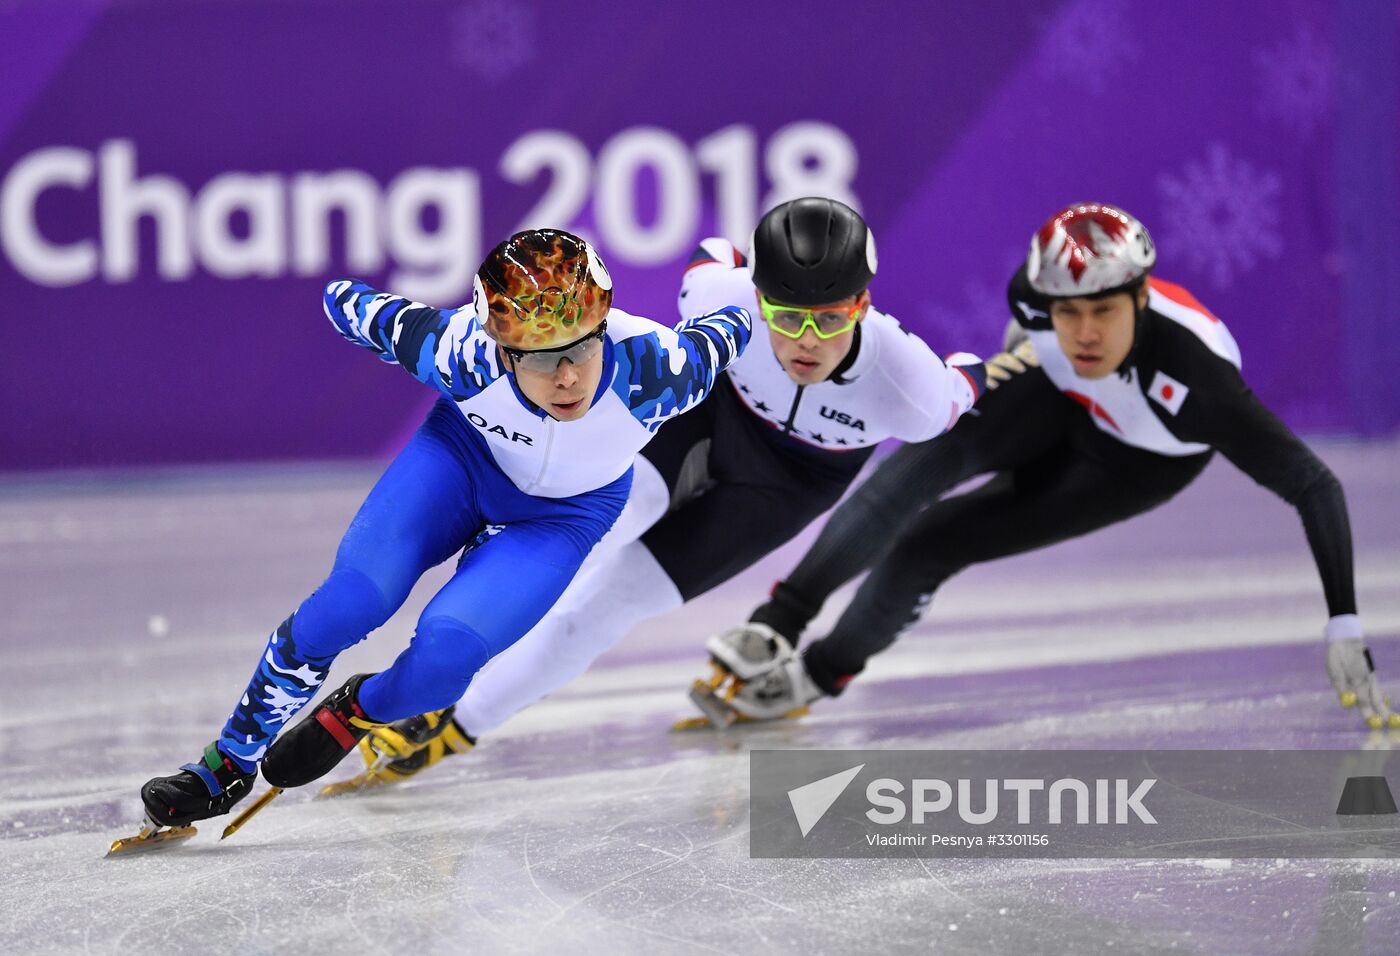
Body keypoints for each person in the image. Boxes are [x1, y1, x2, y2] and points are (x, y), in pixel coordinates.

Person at [338, 198, 985, 787]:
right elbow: (714, 257)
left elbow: (964, 385)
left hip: (790, 484)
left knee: (611, 605)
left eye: (830, 319)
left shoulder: (912, 391)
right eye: (785, 317)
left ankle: (456, 727)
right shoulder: (719, 299)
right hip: (709, 421)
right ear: (756, 300)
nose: (804, 342)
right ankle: (422, 688)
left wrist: (979, 367)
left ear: (863, 306)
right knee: (587, 540)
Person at [131, 229, 752, 837]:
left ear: (604, 325)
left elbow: (734, 323)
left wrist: (748, 276)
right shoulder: (460, 350)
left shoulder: (662, 369)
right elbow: (343, 301)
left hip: (563, 515)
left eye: (580, 347)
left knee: (447, 659)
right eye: (537, 356)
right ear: (499, 346)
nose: (564, 375)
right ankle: (226, 763)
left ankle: (356, 711)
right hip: (457, 463)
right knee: (349, 605)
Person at [694, 201, 1396, 731]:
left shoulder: (1202, 385)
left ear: (1141, 300)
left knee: (929, 543)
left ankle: (814, 677)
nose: (1085, 331)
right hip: (1061, 395)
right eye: (1067, 313)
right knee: (925, 460)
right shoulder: (1036, 303)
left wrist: (1344, 625)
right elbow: (1030, 325)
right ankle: (777, 624)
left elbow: (1313, 483)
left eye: (1103, 311)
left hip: (1135, 461)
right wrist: (1023, 363)